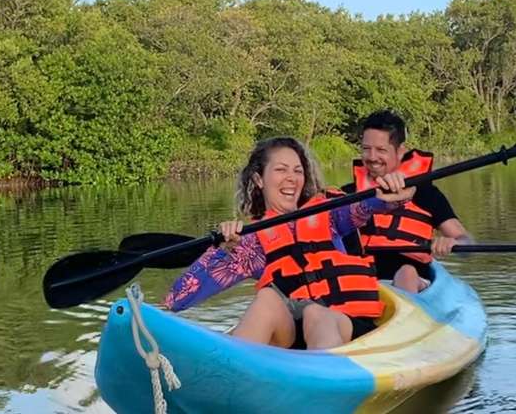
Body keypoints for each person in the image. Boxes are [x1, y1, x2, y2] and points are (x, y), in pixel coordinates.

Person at [162, 137, 415, 350]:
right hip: (292, 337)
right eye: (281, 170)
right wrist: (221, 251)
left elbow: (364, 207)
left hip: (345, 325)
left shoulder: (329, 213)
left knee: (316, 314)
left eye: (297, 171)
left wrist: (388, 197)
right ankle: (231, 388)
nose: (291, 178)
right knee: (267, 299)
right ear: (259, 180)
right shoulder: (250, 243)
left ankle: (326, 390)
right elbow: (178, 298)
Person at [343, 110, 473, 293]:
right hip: (360, 278)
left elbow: (466, 241)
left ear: (400, 151)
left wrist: (454, 244)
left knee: (406, 273)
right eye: (366, 149)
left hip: (412, 278)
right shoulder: (348, 194)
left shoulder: (426, 194)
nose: (372, 157)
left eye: (381, 150)